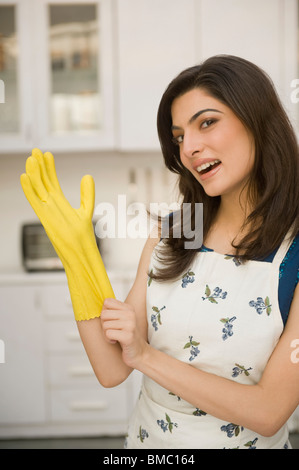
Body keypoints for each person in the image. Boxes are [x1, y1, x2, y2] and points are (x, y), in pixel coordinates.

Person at [22, 55, 299, 449]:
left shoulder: (293, 253)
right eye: (180, 136)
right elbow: (112, 368)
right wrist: (78, 258)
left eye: (207, 122)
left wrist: (145, 356)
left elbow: (269, 412)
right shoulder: (175, 234)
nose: (190, 148)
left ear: (258, 120)